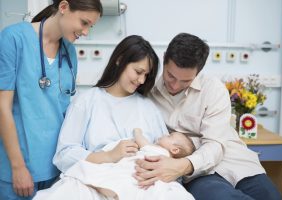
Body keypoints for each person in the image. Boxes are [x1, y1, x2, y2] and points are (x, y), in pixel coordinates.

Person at [135, 33, 282, 200]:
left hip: (233, 160)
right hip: (198, 173)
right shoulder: (148, 89)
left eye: (185, 81)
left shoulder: (214, 89)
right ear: (164, 59)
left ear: (198, 72)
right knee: (221, 196)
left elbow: (215, 144)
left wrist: (182, 165)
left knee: (271, 196)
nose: (175, 85)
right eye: (171, 76)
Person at [32, 35, 170, 199]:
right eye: (138, 72)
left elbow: (165, 153)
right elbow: (65, 154)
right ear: (120, 60)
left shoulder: (148, 109)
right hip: (94, 179)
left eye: (146, 75)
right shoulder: (86, 101)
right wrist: (108, 156)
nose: (141, 80)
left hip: (137, 181)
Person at [0, 0, 102, 199]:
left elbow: (65, 111)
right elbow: (2, 107)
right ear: (64, 7)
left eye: (90, 26)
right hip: (19, 167)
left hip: (56, 167)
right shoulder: (13, 39)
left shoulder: (69, 52)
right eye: (84, 22)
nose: (86, 32)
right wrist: (18, 166)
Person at [34, 128, 196, 200]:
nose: (165, 134)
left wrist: (138, 132)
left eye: (170, 136)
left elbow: (142, 142)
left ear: (174, 150)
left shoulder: (158, 152)